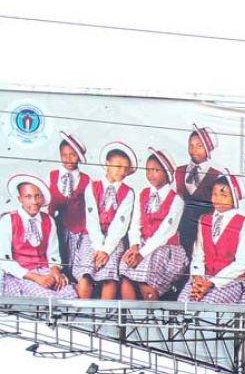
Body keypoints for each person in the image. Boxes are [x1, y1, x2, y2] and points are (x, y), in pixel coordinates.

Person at [120, 148, 188, 301]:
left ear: (167, 173)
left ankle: (152, 321)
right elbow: (135, 223)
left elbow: (165, 233)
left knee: (145, 274)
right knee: (125, 269)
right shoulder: (142, 194)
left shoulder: (176, 200)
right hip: (142, 245)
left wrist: (142, 254)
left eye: (156, 170)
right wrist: (134, 246)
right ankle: (129, 319)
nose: (150, 174)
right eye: (148, 170)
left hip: (165, 248)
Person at [74, 142, 137, 300]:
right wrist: (98, 247)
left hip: (114, 240)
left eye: (126, 168)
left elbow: (120, 225)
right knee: (87, 272)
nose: (122, 171)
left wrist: (106, 250)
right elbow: (92, 219)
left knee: (109, 275)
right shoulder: (92, 187)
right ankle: (82, 313)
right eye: (118, 166)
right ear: (107, 164)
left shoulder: (127, 193)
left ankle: (104, 315)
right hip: (92, 237)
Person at [179, 172, 245, 305]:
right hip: (204, 278)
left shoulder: (243, 224)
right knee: (182, 302)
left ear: (234, 198)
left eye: (223, 195)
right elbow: (198, 254)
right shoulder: (204, 220)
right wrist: (198, 279)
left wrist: (212, 283)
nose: (217, 199)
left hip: (230, 281)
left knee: (207, 303)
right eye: (214, 194)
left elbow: (242, 263)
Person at [1, 174, 76, 298]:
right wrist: (36, 278)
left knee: (71, 295)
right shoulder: (8, 220)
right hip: (21, 274)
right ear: (20, 199)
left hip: (45, 271)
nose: (34, 202)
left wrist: (55, 271)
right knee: (47, 299)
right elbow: (5, 261)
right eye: (28, 197)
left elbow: (53, 254)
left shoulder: (48, 220)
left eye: (37, 196)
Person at [175, 125, 221, 257]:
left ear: (208, 149)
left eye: (199, 146)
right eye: (191, 145)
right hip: (180, 228)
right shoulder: (178, 171)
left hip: (204, 230)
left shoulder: (217, 175)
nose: (194, 150)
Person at [47, 131, 91, 271]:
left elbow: (90, 208)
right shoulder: (52, 176)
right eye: (64, 155)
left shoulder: (86, 180)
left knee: (74, 262)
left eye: (72, 155)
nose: (68, 159)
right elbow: (46, 202)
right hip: (57, 226)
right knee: (59, 255)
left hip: (78, 228)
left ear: (79, 157)